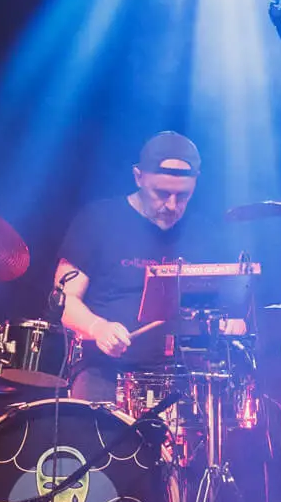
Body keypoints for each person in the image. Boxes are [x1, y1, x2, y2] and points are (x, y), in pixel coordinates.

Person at [53, 132, 216, 403]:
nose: (172, 205)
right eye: (161, 194)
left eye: (183, 196)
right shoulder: (99, 219)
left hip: (181, 377)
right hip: (103, 372)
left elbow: (224, 306)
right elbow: (63, 300)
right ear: (138, 177)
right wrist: (98, 327)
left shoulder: (203, 233)